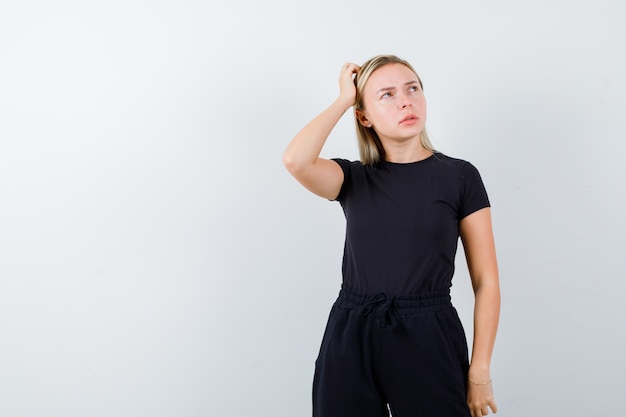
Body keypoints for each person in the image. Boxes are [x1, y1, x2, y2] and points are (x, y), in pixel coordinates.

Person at [282, 54, 500, 417]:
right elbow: (296, 161)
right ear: (363, 115)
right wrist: (342, 99)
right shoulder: (352, 178)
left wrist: (479, 371)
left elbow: (486, 281)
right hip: (351, 333)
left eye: (412, 89)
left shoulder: (460, 177)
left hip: (428, 333)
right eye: (387, 94)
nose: (405, 100)